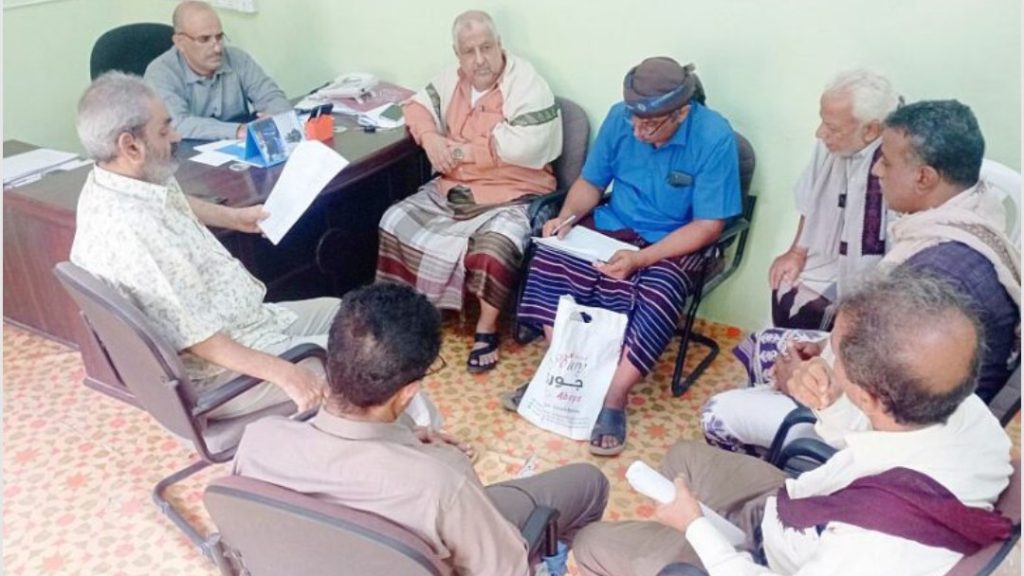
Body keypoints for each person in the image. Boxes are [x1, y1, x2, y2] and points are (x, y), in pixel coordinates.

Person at [573, 270, 1014, 576]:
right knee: (680, 459)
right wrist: (829, 401)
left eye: (833, 350)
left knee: (591, 544)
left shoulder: (875, 547)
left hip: (768, 559)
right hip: (800, 509)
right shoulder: (961, 407)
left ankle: (665, 544)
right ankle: (670, 536)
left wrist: (695, 527)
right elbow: (882, 429)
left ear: (866, 394)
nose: (824, 354)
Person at [70, 72, 436, 425]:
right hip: (219, 373)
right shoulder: (134, 235)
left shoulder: (117, 182)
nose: (176, 135)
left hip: (248, 323)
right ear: (130, 146)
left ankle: (414, 433)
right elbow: (202, 342)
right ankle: (421, 443)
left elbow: (173, 201)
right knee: (373, 363)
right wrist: (287, 374)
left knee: (359, 322)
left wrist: (235, 217)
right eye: (165, 130)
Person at [701, 99, 1020, 455]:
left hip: (902, 438)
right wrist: (827, 350)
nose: (878, 170)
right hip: (908, 383)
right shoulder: (976, 215)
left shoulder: (932, 281)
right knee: (766, 343)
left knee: (717, 413)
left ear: (924, 177)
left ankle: (789, 475)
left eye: (887, 161)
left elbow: (886, 412)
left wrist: (800, 384)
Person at [233, 283, 609, 576]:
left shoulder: (259, 441)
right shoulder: (442, 481)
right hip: (449, 531)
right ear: (408, 393)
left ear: (328, 357)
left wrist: (406, 442)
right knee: (590, 483)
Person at [506, 57, 741, 456]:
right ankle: (562, 372)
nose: (636, 130)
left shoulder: (714, 137)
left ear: (682, 113)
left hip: (671, 241)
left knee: (660, 293)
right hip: (613, 223)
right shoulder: (621, 118)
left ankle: (612, 398)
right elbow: (591, 182)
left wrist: (641, 260)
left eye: (649, 125)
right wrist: (567, 218)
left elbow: (707, 226)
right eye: (633, 119)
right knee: (551, 260)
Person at [376, 10, 562, 375]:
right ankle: (407, 313)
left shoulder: (527, 83)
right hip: (454, 189)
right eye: (469, 51)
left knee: (496, 246)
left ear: (500, 45)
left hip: (512, 194)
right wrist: (431, 138)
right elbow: (415, 107)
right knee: (393, 219)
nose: (480, 59)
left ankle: (486, 328)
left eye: (486, 48)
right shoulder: (452, 79)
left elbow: (525, 146)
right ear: (457, 54)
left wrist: (459, 151)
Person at [763, 70, 899, 335]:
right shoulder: (830, 143)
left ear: (871, 130)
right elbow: (809, 199)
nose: (820, 133)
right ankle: (790, 353)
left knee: (854, 325)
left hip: (882, 274)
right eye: (822, 122)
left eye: (832, 128)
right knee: (787, 288)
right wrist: (796, 252)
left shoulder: (899, 159)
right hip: (831, 257)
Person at [144, 0, 292, 140]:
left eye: (219, 37)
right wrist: (237, 131)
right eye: (204, 39)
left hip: (238, 148)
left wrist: (276, 116)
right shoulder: (160, 73)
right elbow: (176, 123)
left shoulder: (237, 58)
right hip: (187, 154)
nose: (217, 48)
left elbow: (272, 96)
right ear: (180, 42)